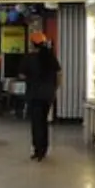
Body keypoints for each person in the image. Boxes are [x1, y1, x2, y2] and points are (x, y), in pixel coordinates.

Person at [19, 32, 62, 161]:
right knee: (44, 121)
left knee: (36, 122)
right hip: (48, 94)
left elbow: (21, 75)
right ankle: (44, 148)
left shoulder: (29, 58)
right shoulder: (50, 57)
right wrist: (55, 88)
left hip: (34, 94)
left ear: (32, 44)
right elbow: (59, 73)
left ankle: (38, 149)